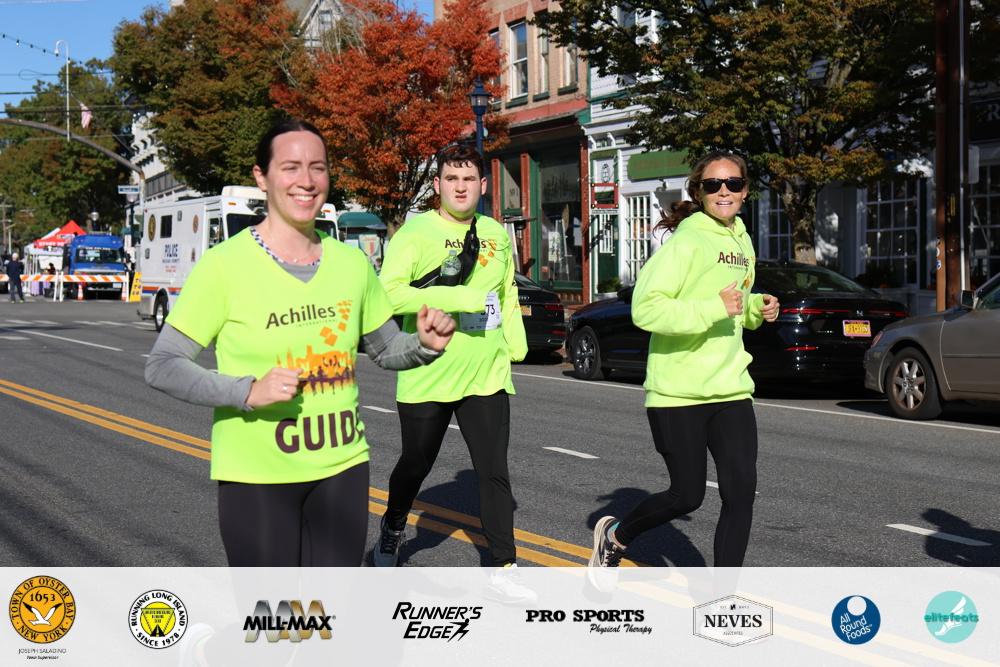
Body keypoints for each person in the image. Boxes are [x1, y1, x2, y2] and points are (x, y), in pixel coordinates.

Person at [145, 119, 456, 567]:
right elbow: (163, 364)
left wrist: (425, 344)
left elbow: (386, 348)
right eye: (290, 167)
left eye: (318, 167)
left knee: (329, 611)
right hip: (257, 475)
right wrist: (247, 391)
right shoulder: (224, 266)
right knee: (273, 612)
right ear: (262, 177)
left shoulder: (352, 264)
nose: (306, 180)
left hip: (342, 468)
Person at [587, 151, 780, 592]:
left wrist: (756, 306)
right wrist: (715, 307)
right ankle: (615, 536)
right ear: (699, 191)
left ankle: (721, 597)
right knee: (686, 496)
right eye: (713, 185)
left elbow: (735, 304)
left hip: (731, 387)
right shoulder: (686, 242)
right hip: (678, 391)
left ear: (746, 190)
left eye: (733, 183)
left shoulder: (742, 241)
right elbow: (645, 308)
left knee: (740, 494)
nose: (724, 191)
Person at [375, 144, 534, 604]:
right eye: (451, 179)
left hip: (486, 370)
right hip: (428, 370)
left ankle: (503, 566)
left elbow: (506, 290)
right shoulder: (415, 232)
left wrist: (515, 338)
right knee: (415, 464)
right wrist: (458, 298)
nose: (460, 188)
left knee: (494, 471)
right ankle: (393, 525)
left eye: (468, 180)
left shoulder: (496, 233)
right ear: (438, 185)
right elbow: (389, 295)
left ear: (483, 185)